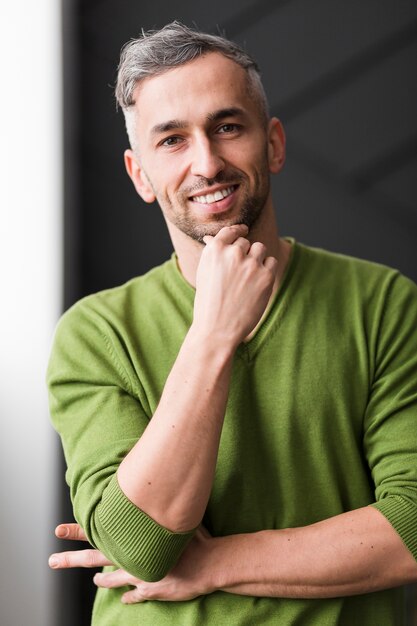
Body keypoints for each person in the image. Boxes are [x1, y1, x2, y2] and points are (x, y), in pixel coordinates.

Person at [47, 21, 417, 625]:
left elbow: (414, 528)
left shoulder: (383, 304)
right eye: (171, 140)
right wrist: (214, 331)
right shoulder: (95, 333)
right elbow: (142, 541)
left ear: (272, 142)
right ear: (139, 174)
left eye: (226, 127)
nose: (207, 162)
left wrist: (211, 564)